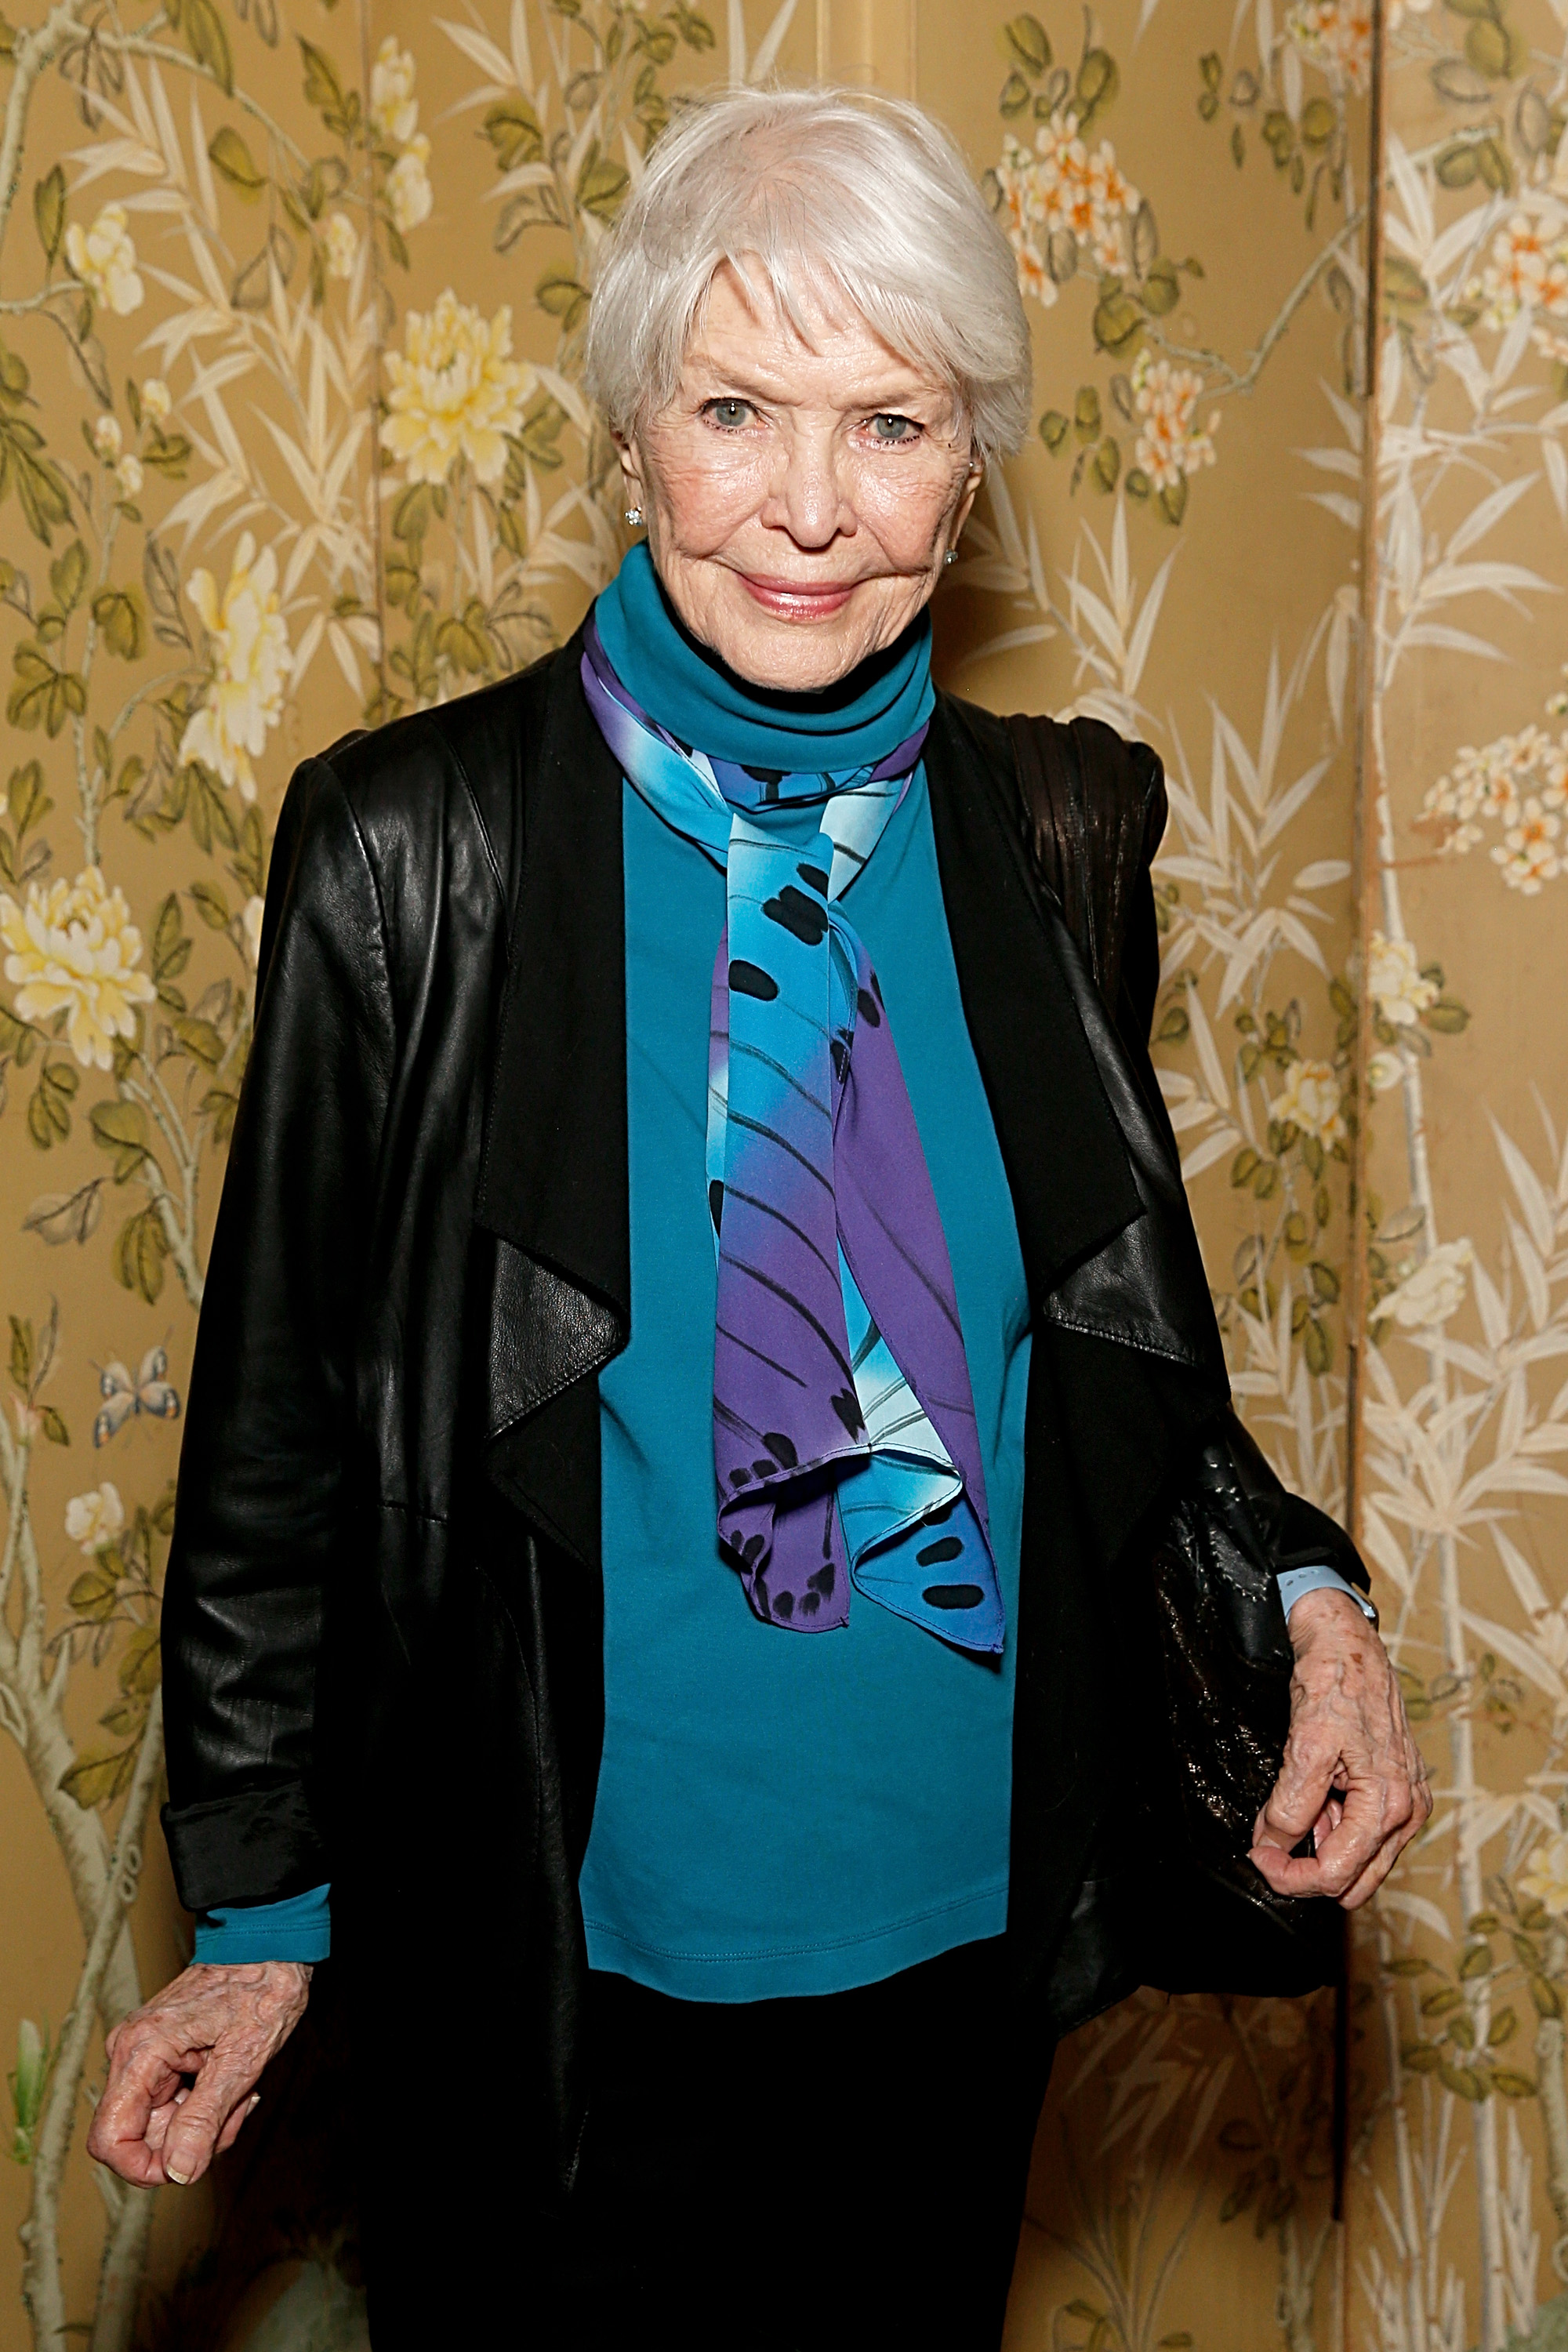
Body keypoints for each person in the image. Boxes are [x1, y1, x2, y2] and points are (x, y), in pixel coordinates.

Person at [88, 84, 1429, 2350]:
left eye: (891, 422)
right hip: (566, 1989)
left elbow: (1123, 1360)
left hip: (962, 1949)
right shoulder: (411, 853)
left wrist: (1310, 1590)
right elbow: (281, 1441)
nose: (813, 509)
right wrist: (259, 1907)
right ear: (631, 430)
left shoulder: (1065, 834)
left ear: (972, 464)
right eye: (736, 407)